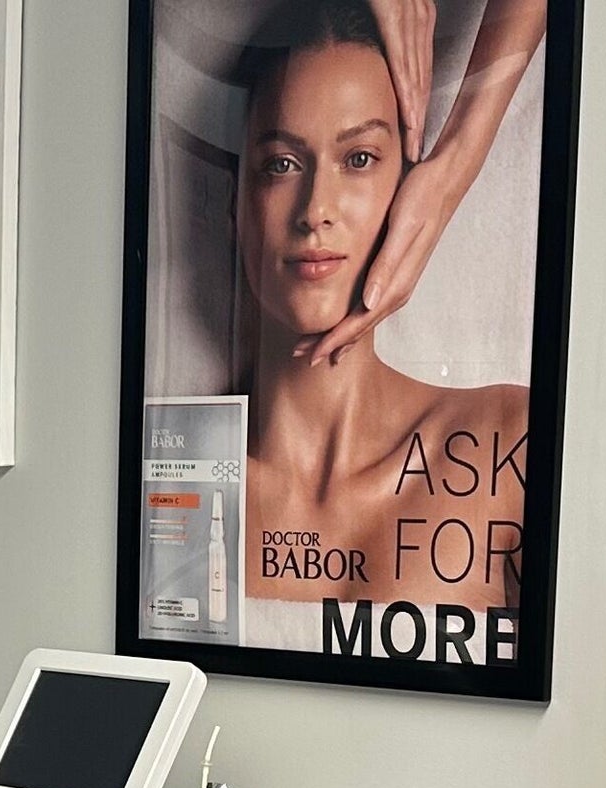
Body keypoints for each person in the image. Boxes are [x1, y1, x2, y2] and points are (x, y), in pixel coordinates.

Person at [230, 0, 548, 665]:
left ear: (411, 189)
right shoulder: (176, 478)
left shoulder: (511, 444)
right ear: (237, 201)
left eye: (360, 158)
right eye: (281, 164)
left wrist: (457, 164)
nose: (316, 211)